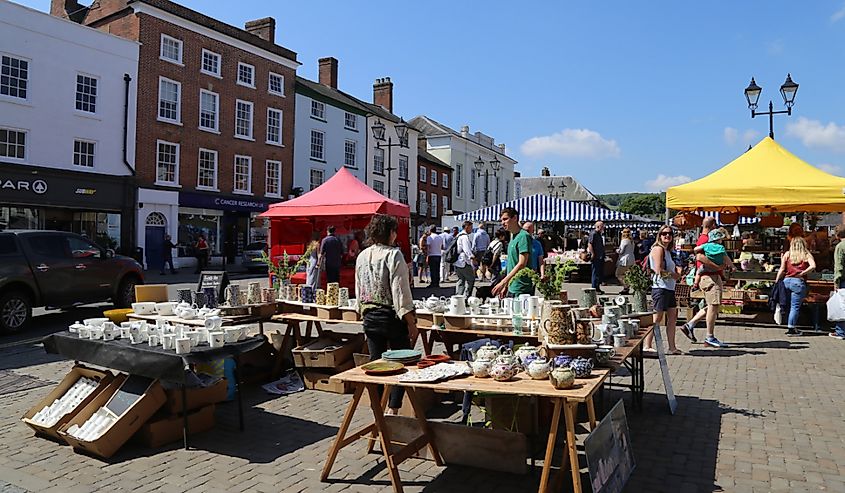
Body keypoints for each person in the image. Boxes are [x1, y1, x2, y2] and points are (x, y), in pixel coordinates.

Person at [355, 214, 417, 415]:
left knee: (377, 363)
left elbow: (358, 288)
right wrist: (411, 323)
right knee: (400, 363)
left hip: (369, 316)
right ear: (390, 233)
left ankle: (377, 408)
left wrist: (360, 311)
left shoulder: (362, 255)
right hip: (390, 316)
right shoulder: (393, 254)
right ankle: (393, 409)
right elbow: (401, 292)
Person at [643, 226, 683, 355]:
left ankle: (672, 347)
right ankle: (647, 345)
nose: (667, 236)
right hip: (660, 287)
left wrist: (676, 273)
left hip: (669, 288)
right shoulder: (658, 249)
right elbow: (659, 270)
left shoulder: (667, 251)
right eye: (664, 233)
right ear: (659, 235)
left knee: (672, 317)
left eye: (670, 234)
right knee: (657, 318)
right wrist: (674, 275)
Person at [679, 216, 717, 343]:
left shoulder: (702, 238)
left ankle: (690, 325)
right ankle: (709, 336)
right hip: (708, 275)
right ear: (712, 226)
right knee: (713, 305)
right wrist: (718, 266)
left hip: (705, 275)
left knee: (713, 306)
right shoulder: (706, 239)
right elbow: (700, 257)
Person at [775, 236, 816, 336]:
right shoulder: (806, 254)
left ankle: (790, 325)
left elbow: (781, 269)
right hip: (798, 282)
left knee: (788, 305)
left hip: (786, 281)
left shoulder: (787, 254)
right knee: (795, 307)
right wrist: (803, 273)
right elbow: (813, 266)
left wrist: (777, 281)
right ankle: (791, 328)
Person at [492, 207, 533, 297]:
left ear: (514, 218)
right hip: (512, 286)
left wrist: (503, 282)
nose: (503, 222)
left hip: (521, 288)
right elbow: (511, 263)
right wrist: (506, 286)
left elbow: (522, 263)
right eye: (501, 220)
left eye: (505, 219)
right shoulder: (512, 236)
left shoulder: (523, 236)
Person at [454, 221, 476, 296]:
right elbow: (467, 249)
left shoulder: (458, 235)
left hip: (457, 261)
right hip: (464, 261)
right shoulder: (464, 237)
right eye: (471, 227)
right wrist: (472, 257)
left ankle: (458, 297)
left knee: (461, 280)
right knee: (471, 279)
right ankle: (466, 297)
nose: (472, 229)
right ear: (467, 226)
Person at [832, 225, 845, 339]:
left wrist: (836, 282)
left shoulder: (840, 247)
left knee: (842, 305)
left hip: (844, 280)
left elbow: (839, 266)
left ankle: (840, 331)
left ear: (837, 235)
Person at [588, 221, 606, 294]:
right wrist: (592, 253)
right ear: (598, 226)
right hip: (596, 256)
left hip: (600, 256)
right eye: (602, 226)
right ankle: (594, 288)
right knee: (595, 272)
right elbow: (590, 244)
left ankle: (598, 288)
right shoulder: (593, 233)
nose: (603, 228)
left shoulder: (599, 234)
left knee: (599, 273)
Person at [615, 228, 635, 294]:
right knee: (627, 274)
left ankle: (626, 286)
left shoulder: (624, 241)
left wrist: (616, 250)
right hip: (631, 259)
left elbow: (621, 251)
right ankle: (627, 287)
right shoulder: (631, 241)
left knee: (618, 273)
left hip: (625, 260)